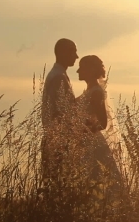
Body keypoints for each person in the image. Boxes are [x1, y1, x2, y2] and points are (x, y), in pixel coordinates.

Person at [75, 55, 123, 204]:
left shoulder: (96, 92)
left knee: (99, 182)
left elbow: (102, 123)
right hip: (86, 143)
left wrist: (81, 131)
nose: (77, 71)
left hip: (93, 144)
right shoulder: (89, 91)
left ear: (90, 70)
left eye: (81, 67)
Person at [40, 38, 80, 188]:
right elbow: (59, 111)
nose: (76, 56)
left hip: (55, 139)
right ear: (63, 52)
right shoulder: (58, 77)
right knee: (59, 186)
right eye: (73, 52)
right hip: (58, 141)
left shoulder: (58, 75)